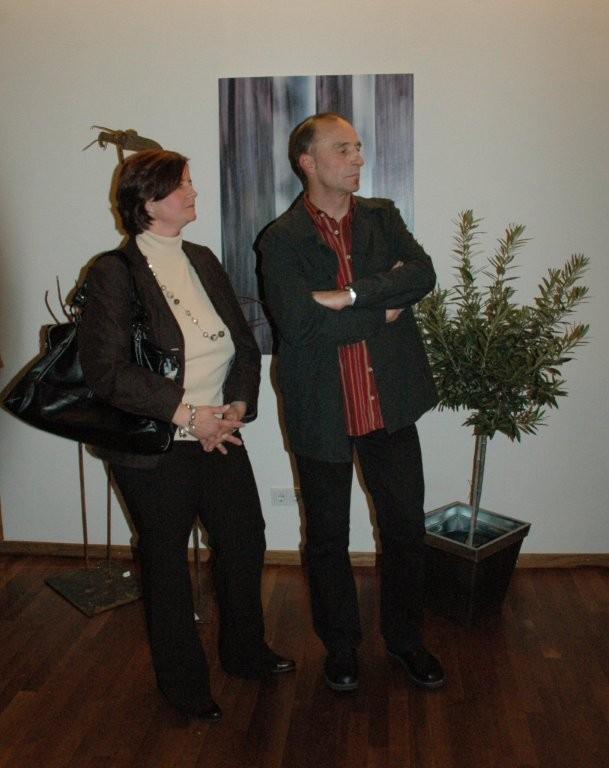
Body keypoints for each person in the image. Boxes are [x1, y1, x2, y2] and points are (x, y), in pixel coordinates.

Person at [78, 149, 294, 722]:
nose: (194, 192)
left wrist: (237, 406)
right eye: (182, 185)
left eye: (191, 182)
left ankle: (245, 652)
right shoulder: (113, 272)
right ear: (149, 202)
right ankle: (183, 683)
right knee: (167, 564)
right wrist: (187, 415)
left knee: (244, 541)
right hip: (155, 445)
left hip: (218, 432)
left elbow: (242, 344)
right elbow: (106, 372)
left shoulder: (201, 258)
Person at [258, 113, 444, 692]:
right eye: (343, 149)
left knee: (406, 529)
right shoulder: (279, 239)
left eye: (359, 147)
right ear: (307, 161)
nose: (358, 158)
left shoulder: (383, 217)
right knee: (327, 538)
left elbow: (423, 275)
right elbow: (298, 325)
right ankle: (341, 648)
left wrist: (348, 295)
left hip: (389, 405)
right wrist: (379, 311)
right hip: (322, 408)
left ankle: (407, 641)